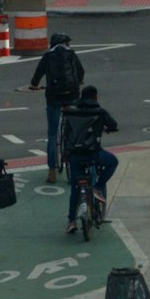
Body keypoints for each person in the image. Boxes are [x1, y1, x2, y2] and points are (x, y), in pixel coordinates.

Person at [60, 84, 118, 234]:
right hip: (94, 154)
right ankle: (98, 187)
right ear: (96, 97)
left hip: (75, 155)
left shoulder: (71, 112)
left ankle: (71, 221)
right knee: (112, 162)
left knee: (75, 188)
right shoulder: (99, 112)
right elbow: (113, 125)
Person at [29, 31, 84, 184]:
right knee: (74, 130)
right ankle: (74, 167)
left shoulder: (47, 57)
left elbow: (37, 75)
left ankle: (52, 171)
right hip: (72, 95)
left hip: (53, 97)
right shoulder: (71, 54)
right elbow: (80, 71)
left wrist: (34, 85)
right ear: (66, 43)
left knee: (52, 135)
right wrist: (78, 82)